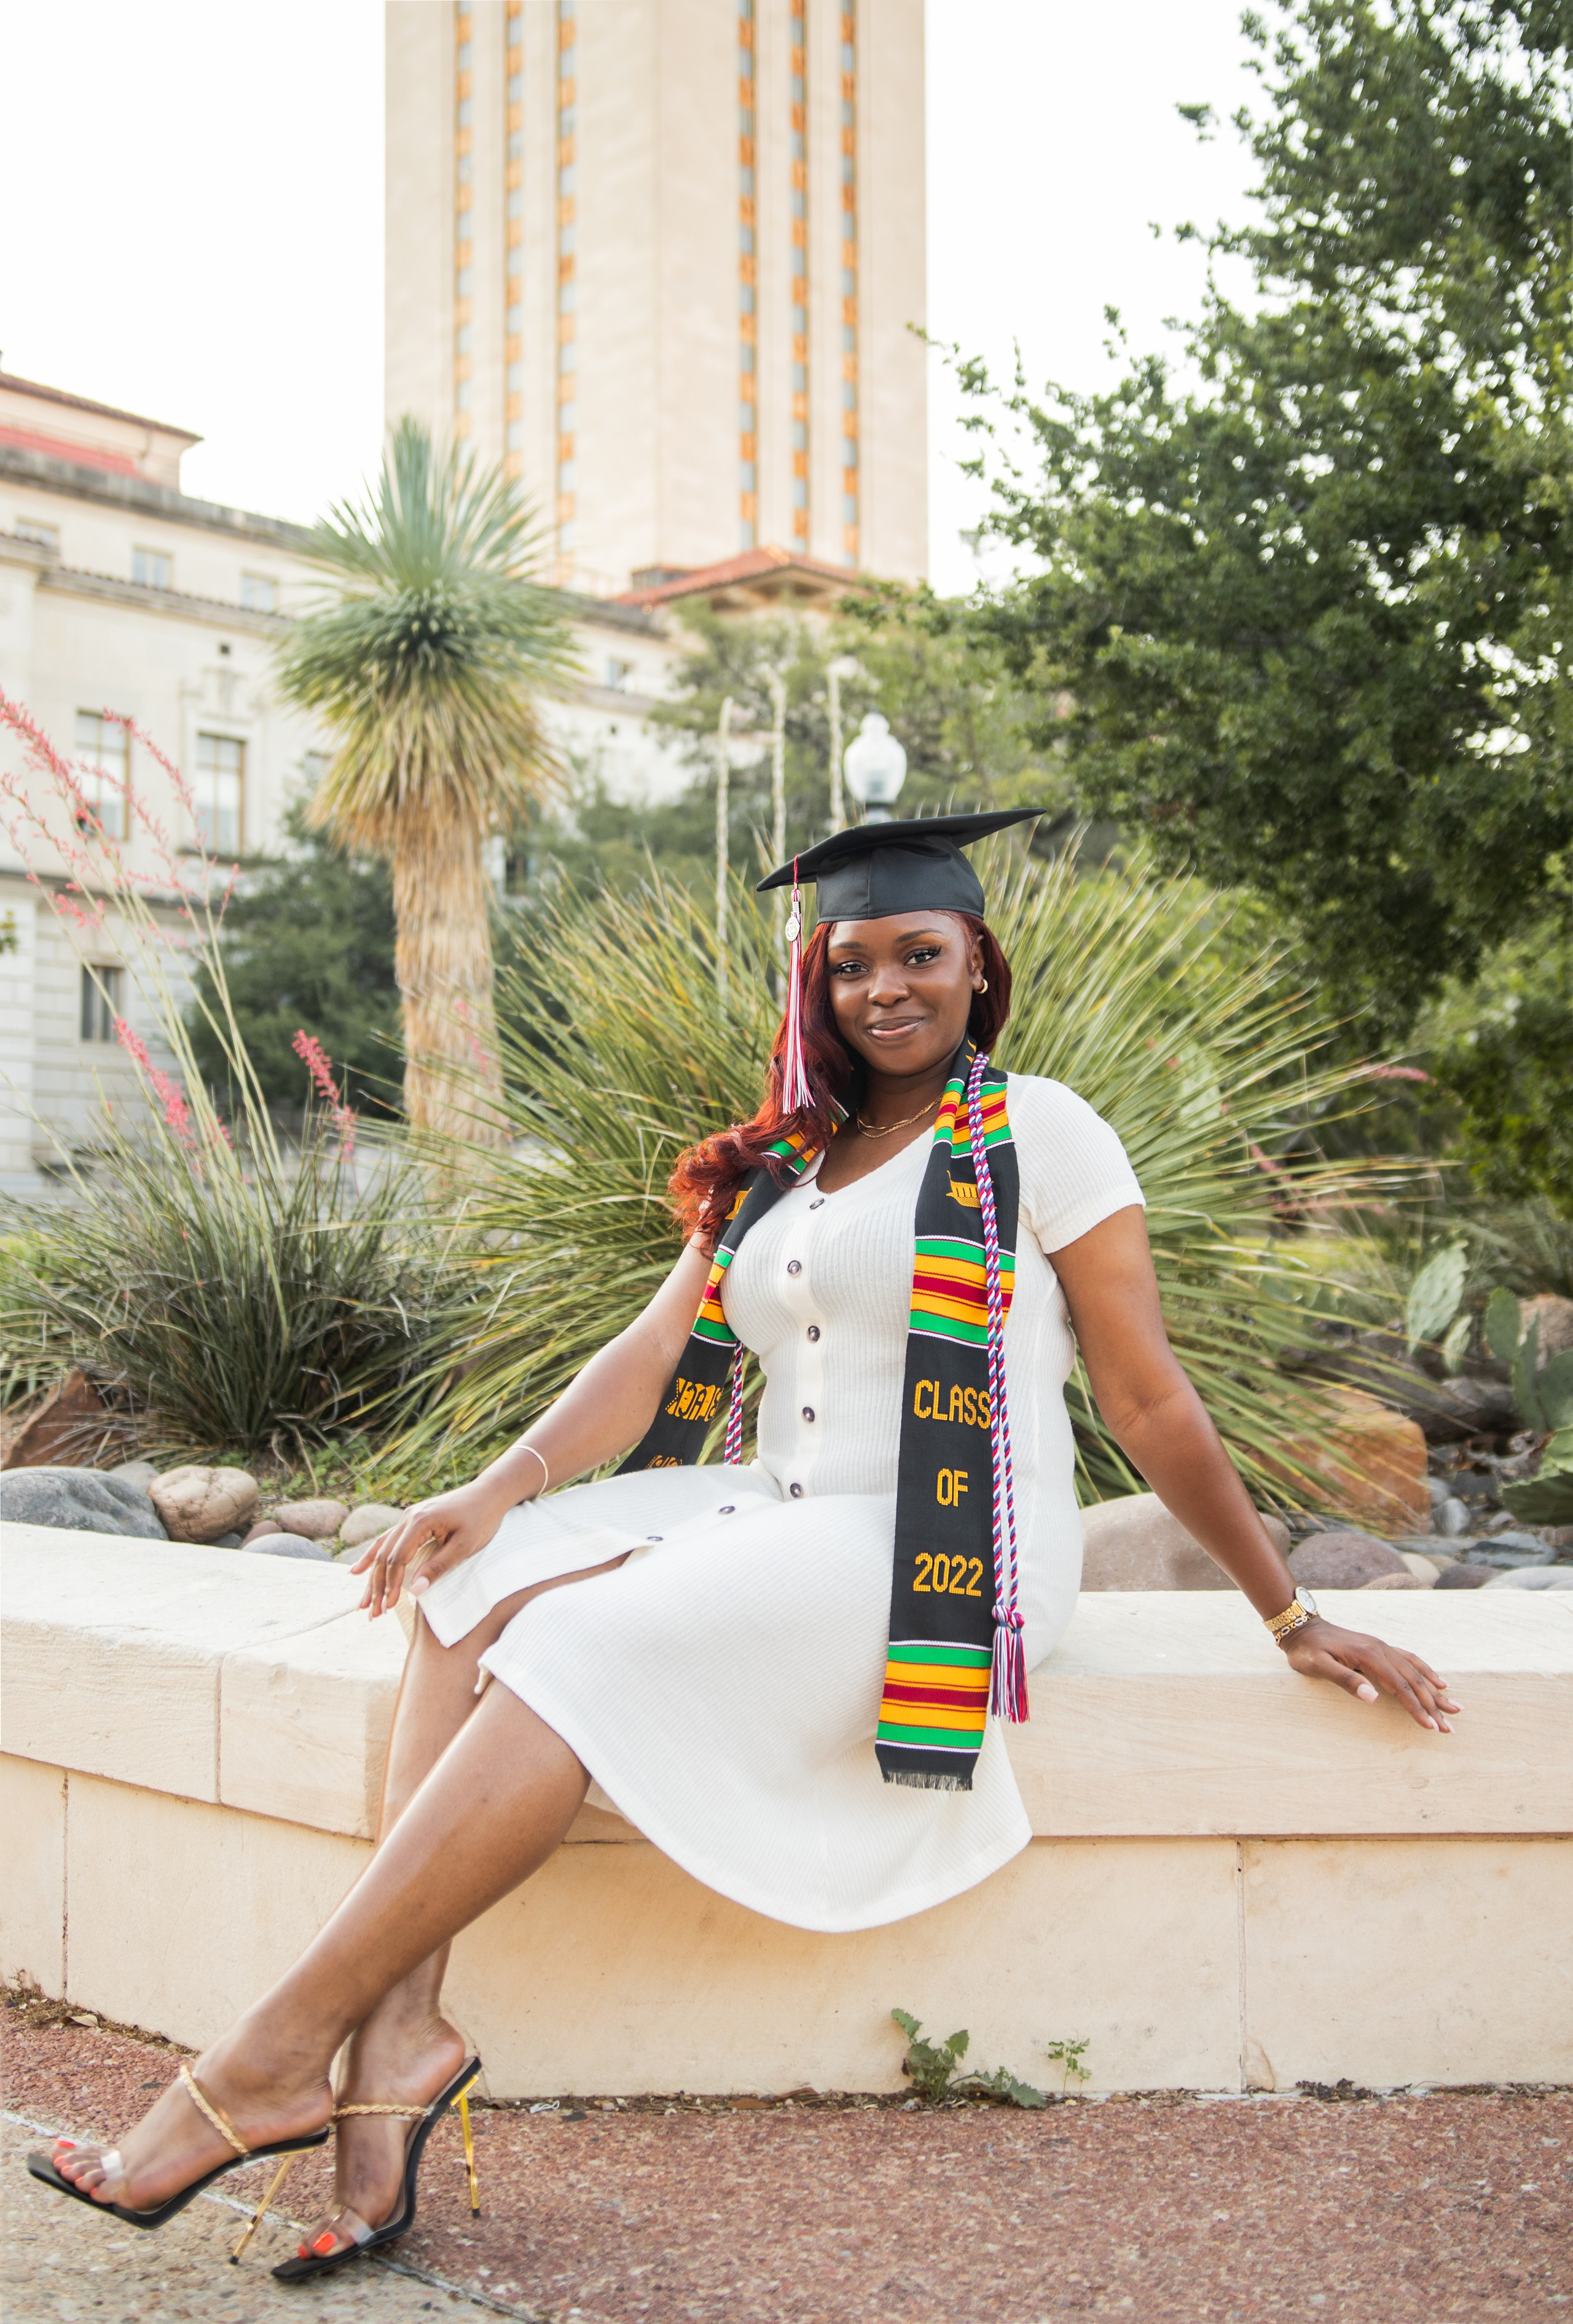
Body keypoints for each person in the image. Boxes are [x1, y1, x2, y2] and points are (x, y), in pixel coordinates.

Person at [30, 812, 1458, 2277]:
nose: (885, 986)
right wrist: (497, 1485)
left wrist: (1289, 1612)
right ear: (816, 982)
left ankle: (266, 2054)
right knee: (466, 1580)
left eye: (920, 954)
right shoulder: (788, 1154)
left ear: (979, 967)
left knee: (571, 1641)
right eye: (852, 963)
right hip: (776, 1507)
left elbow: (1148, 1396)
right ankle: (396, 2040)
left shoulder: (1038, 1127)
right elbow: (651, 1354)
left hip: (942, 1544)